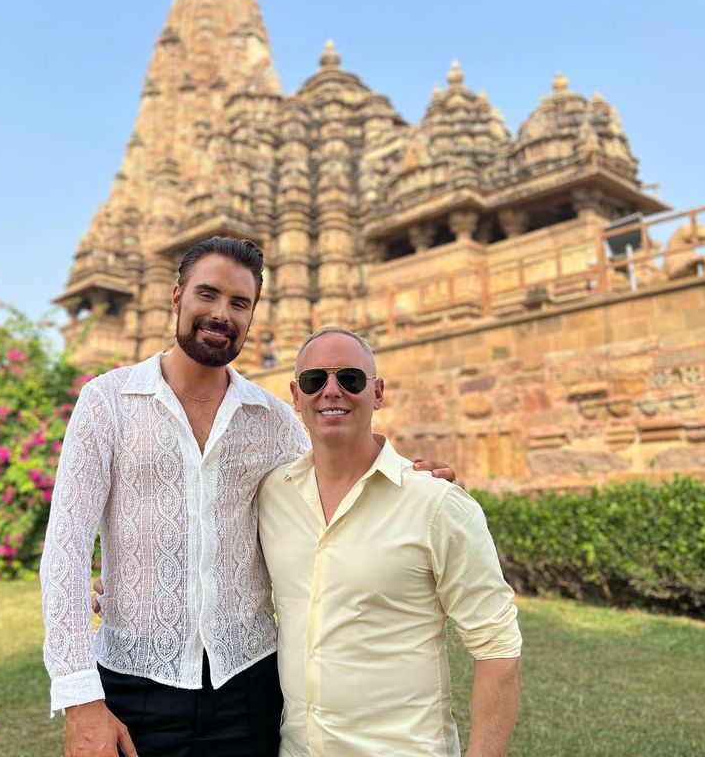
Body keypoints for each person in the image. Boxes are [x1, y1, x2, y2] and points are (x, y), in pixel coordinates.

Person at [40, 237, 458, 757]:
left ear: (253, 315)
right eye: (208, 295)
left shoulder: (273, 421)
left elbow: (337, 484)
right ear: (176, 297)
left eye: (239, 303)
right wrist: (81, 699)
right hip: (135, 682)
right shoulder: (107, 403)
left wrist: (416, 481)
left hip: (249, 685)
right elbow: (65, 553)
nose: (221, 314)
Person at [258, 327, 522, 757]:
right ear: (296, 395)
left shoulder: (435, 505)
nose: (331, 391)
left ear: (377, 392)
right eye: (314, 381)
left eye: (351, 379)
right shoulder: (273, 496)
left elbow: (498, 646)